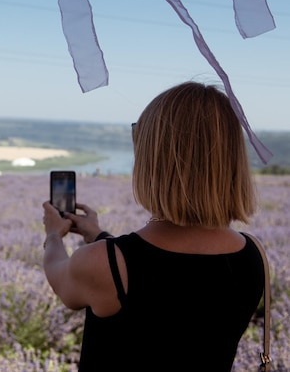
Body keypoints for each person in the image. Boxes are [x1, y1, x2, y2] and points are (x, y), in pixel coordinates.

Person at [41, 82, 265, 371]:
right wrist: (97, 235)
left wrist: (53, 235)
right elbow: (168, 277)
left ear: (154, 162)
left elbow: (62, 281)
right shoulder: (254, 254)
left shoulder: (105, 263)